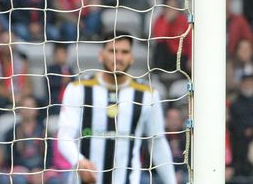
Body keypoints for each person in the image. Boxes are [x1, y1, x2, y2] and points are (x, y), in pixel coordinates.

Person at [57, 32, 176, 184]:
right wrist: (79, 161)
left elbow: (158, 143)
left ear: (131, 57)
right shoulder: (78, 89)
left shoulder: (147, 95)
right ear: (101, 55)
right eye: (112, 51)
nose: (118, 57)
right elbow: (64, 136)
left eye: (124, 52)